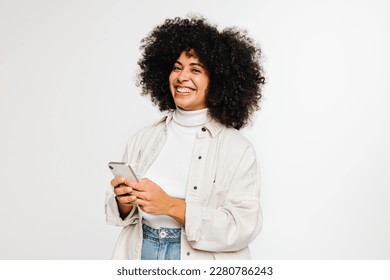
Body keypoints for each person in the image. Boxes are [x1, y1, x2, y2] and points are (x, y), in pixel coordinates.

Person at [105, 16, 265, 260]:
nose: (182, 78)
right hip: (140, 252)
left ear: (218, 81)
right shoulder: (144, 138)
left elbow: (243, 226)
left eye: (196, 70)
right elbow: (123, 215)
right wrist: (124, 201)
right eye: (177, 67)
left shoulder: (237, 149)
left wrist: (169, 205)